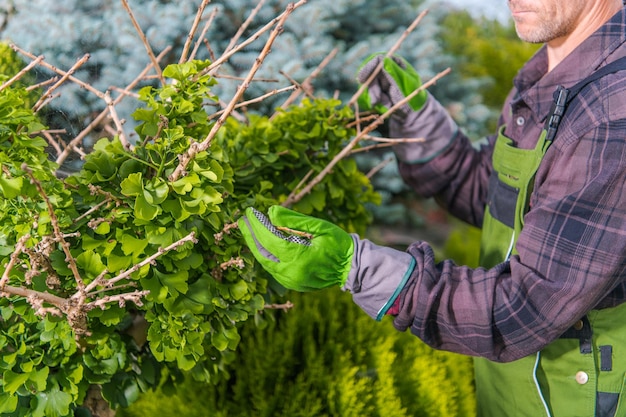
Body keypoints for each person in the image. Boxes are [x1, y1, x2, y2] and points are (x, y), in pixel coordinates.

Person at [237, 0, 626, 416]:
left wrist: (360, 269)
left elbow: (523, 308)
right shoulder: (549, 73)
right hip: (515, 391)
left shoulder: (612, 115)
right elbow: (500, 201)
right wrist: (419, 126)